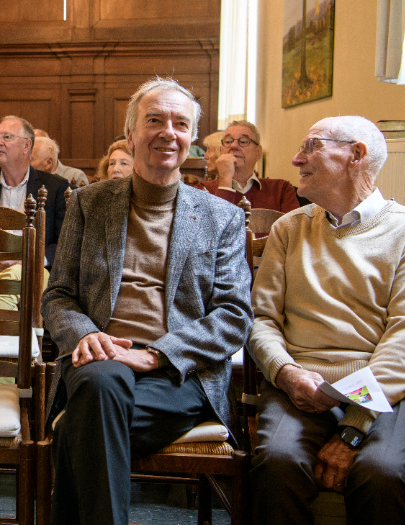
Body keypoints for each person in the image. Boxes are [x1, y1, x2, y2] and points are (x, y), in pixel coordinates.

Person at [42, 78, 253, 525]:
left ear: (192, 137)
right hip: (101, 357)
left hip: (180, 374)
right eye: (154, 120)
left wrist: (158, 355)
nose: (167, 133)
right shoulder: (88, 203)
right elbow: (58, 293)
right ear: (131, 132)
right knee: (100, 384)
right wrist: (88, 335)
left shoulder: (222, 217)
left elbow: (234, 315)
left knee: (85, 421)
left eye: (181, 123)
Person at [248, 116, 405, 525]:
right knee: (277, 463)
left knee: (381, 474)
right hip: (303, 384)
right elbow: (261, 318)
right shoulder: (289, 229)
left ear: (356, 154)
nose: (296, 158)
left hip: (398, 390)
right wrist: (285, 372)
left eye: (311, 146)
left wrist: (353, 427)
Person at [0, 116, 68, 310]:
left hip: (37, 272)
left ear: (27, 145)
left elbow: (65, 241)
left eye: (7, 137)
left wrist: (29, 261)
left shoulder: (55, 187)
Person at [197, 120, 300, 212]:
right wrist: (225, 179)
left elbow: (293, 227)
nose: (233, 146)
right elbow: (215, 226)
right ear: (221, 151)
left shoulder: (281, 190)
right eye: (228, 141)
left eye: (243, 141)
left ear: (258, 152)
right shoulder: (203, 189)